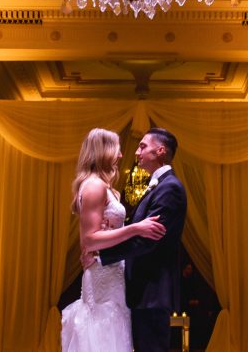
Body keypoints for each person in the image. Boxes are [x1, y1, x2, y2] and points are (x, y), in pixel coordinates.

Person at [59, 128, 166, 352]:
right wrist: (135, 229)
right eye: (117, 149)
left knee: (115, 333)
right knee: (103, 335)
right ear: (103, 151)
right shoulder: (94, 186)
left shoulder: (106, 188)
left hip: (113, 272)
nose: (121, 155)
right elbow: (89, 240)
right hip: (102, 276)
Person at [94, 128, 187, 352]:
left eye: (143, 146)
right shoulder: (159, 185)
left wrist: (102, 254)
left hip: (152, 291)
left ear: (160, 151)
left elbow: (148, 240)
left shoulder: (170, 188)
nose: (137, 152)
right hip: (144, 291)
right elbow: (139, 232)